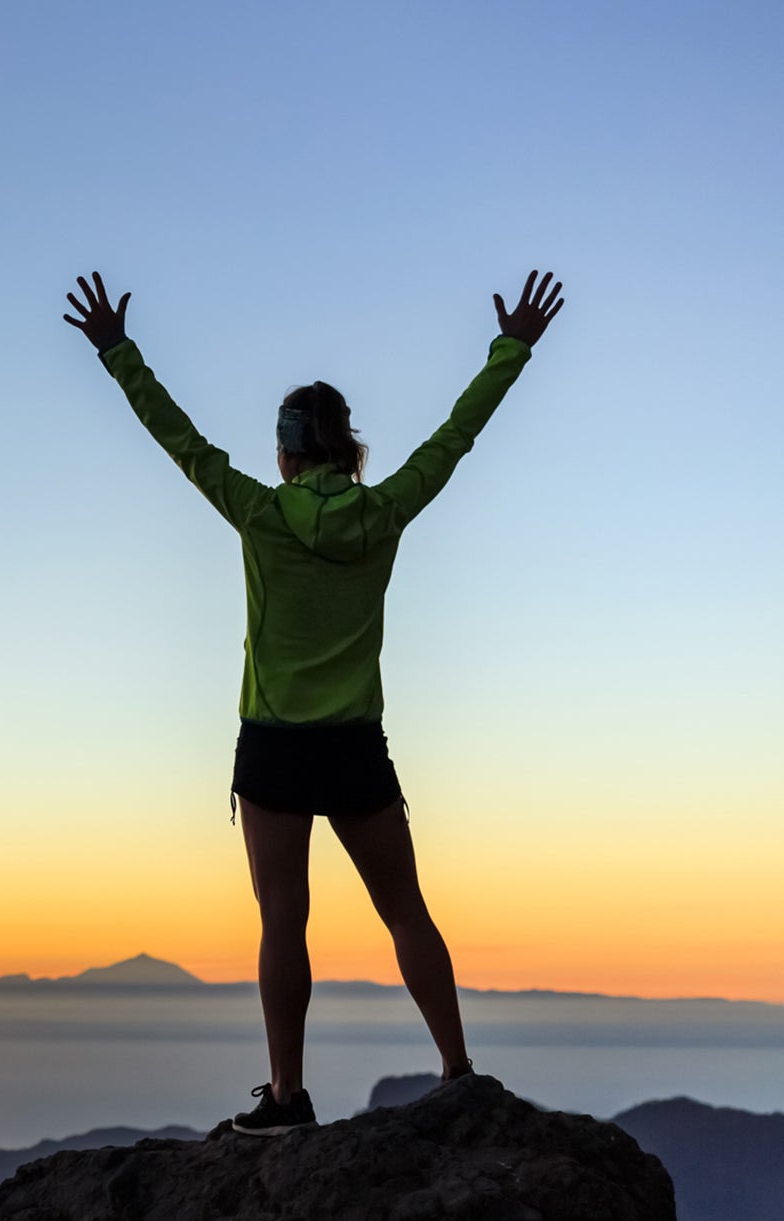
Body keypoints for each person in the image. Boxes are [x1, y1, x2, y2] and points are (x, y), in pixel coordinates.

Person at [64, 268, 564, 1136]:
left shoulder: (260, 513)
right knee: (405, 908)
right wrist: (511, 346)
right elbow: (457, 436)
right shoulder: (387, 512)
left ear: (289, 452)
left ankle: (288, 1098)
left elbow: (179, 440)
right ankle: (457, 1070)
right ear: (349, 451)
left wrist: (117, 351)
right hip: (354, 747)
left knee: (282, 926)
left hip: (273, 749)